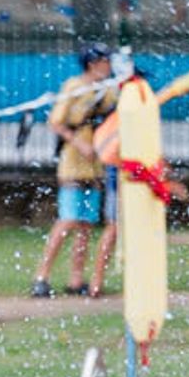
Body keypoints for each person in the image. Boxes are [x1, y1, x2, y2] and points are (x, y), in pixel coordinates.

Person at [37, 46, 118, 299]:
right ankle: (42, 276)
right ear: (92, 64)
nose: (108, 66)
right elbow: (56, 121)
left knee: (85, 225)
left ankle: (76, 279)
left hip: (95, 165)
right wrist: (79, 143)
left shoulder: (106, 90)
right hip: (73, 162)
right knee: (68, 220)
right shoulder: (74, 87)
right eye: (104, 61)